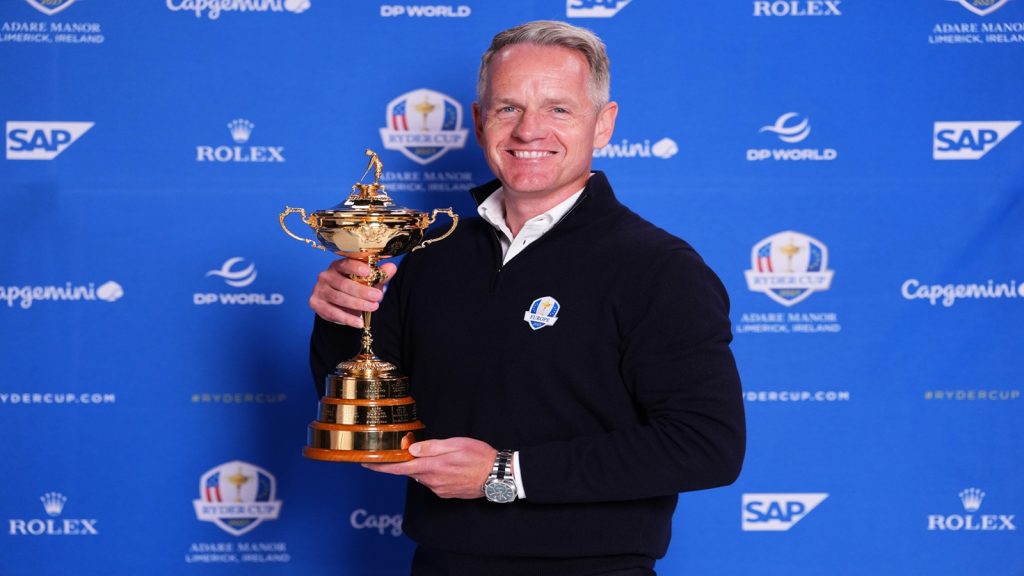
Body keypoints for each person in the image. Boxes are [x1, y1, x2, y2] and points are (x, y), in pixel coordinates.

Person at [308, 20, 745, 576]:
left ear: (604, 124)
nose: (528, 130)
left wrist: (505, 474)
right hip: (438, 564)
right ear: (478, 121)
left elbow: (707, 445)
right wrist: (343, 312)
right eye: (508, 108)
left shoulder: (658, 267)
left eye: (558, 109)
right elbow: (368, 411)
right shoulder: (431, 252)